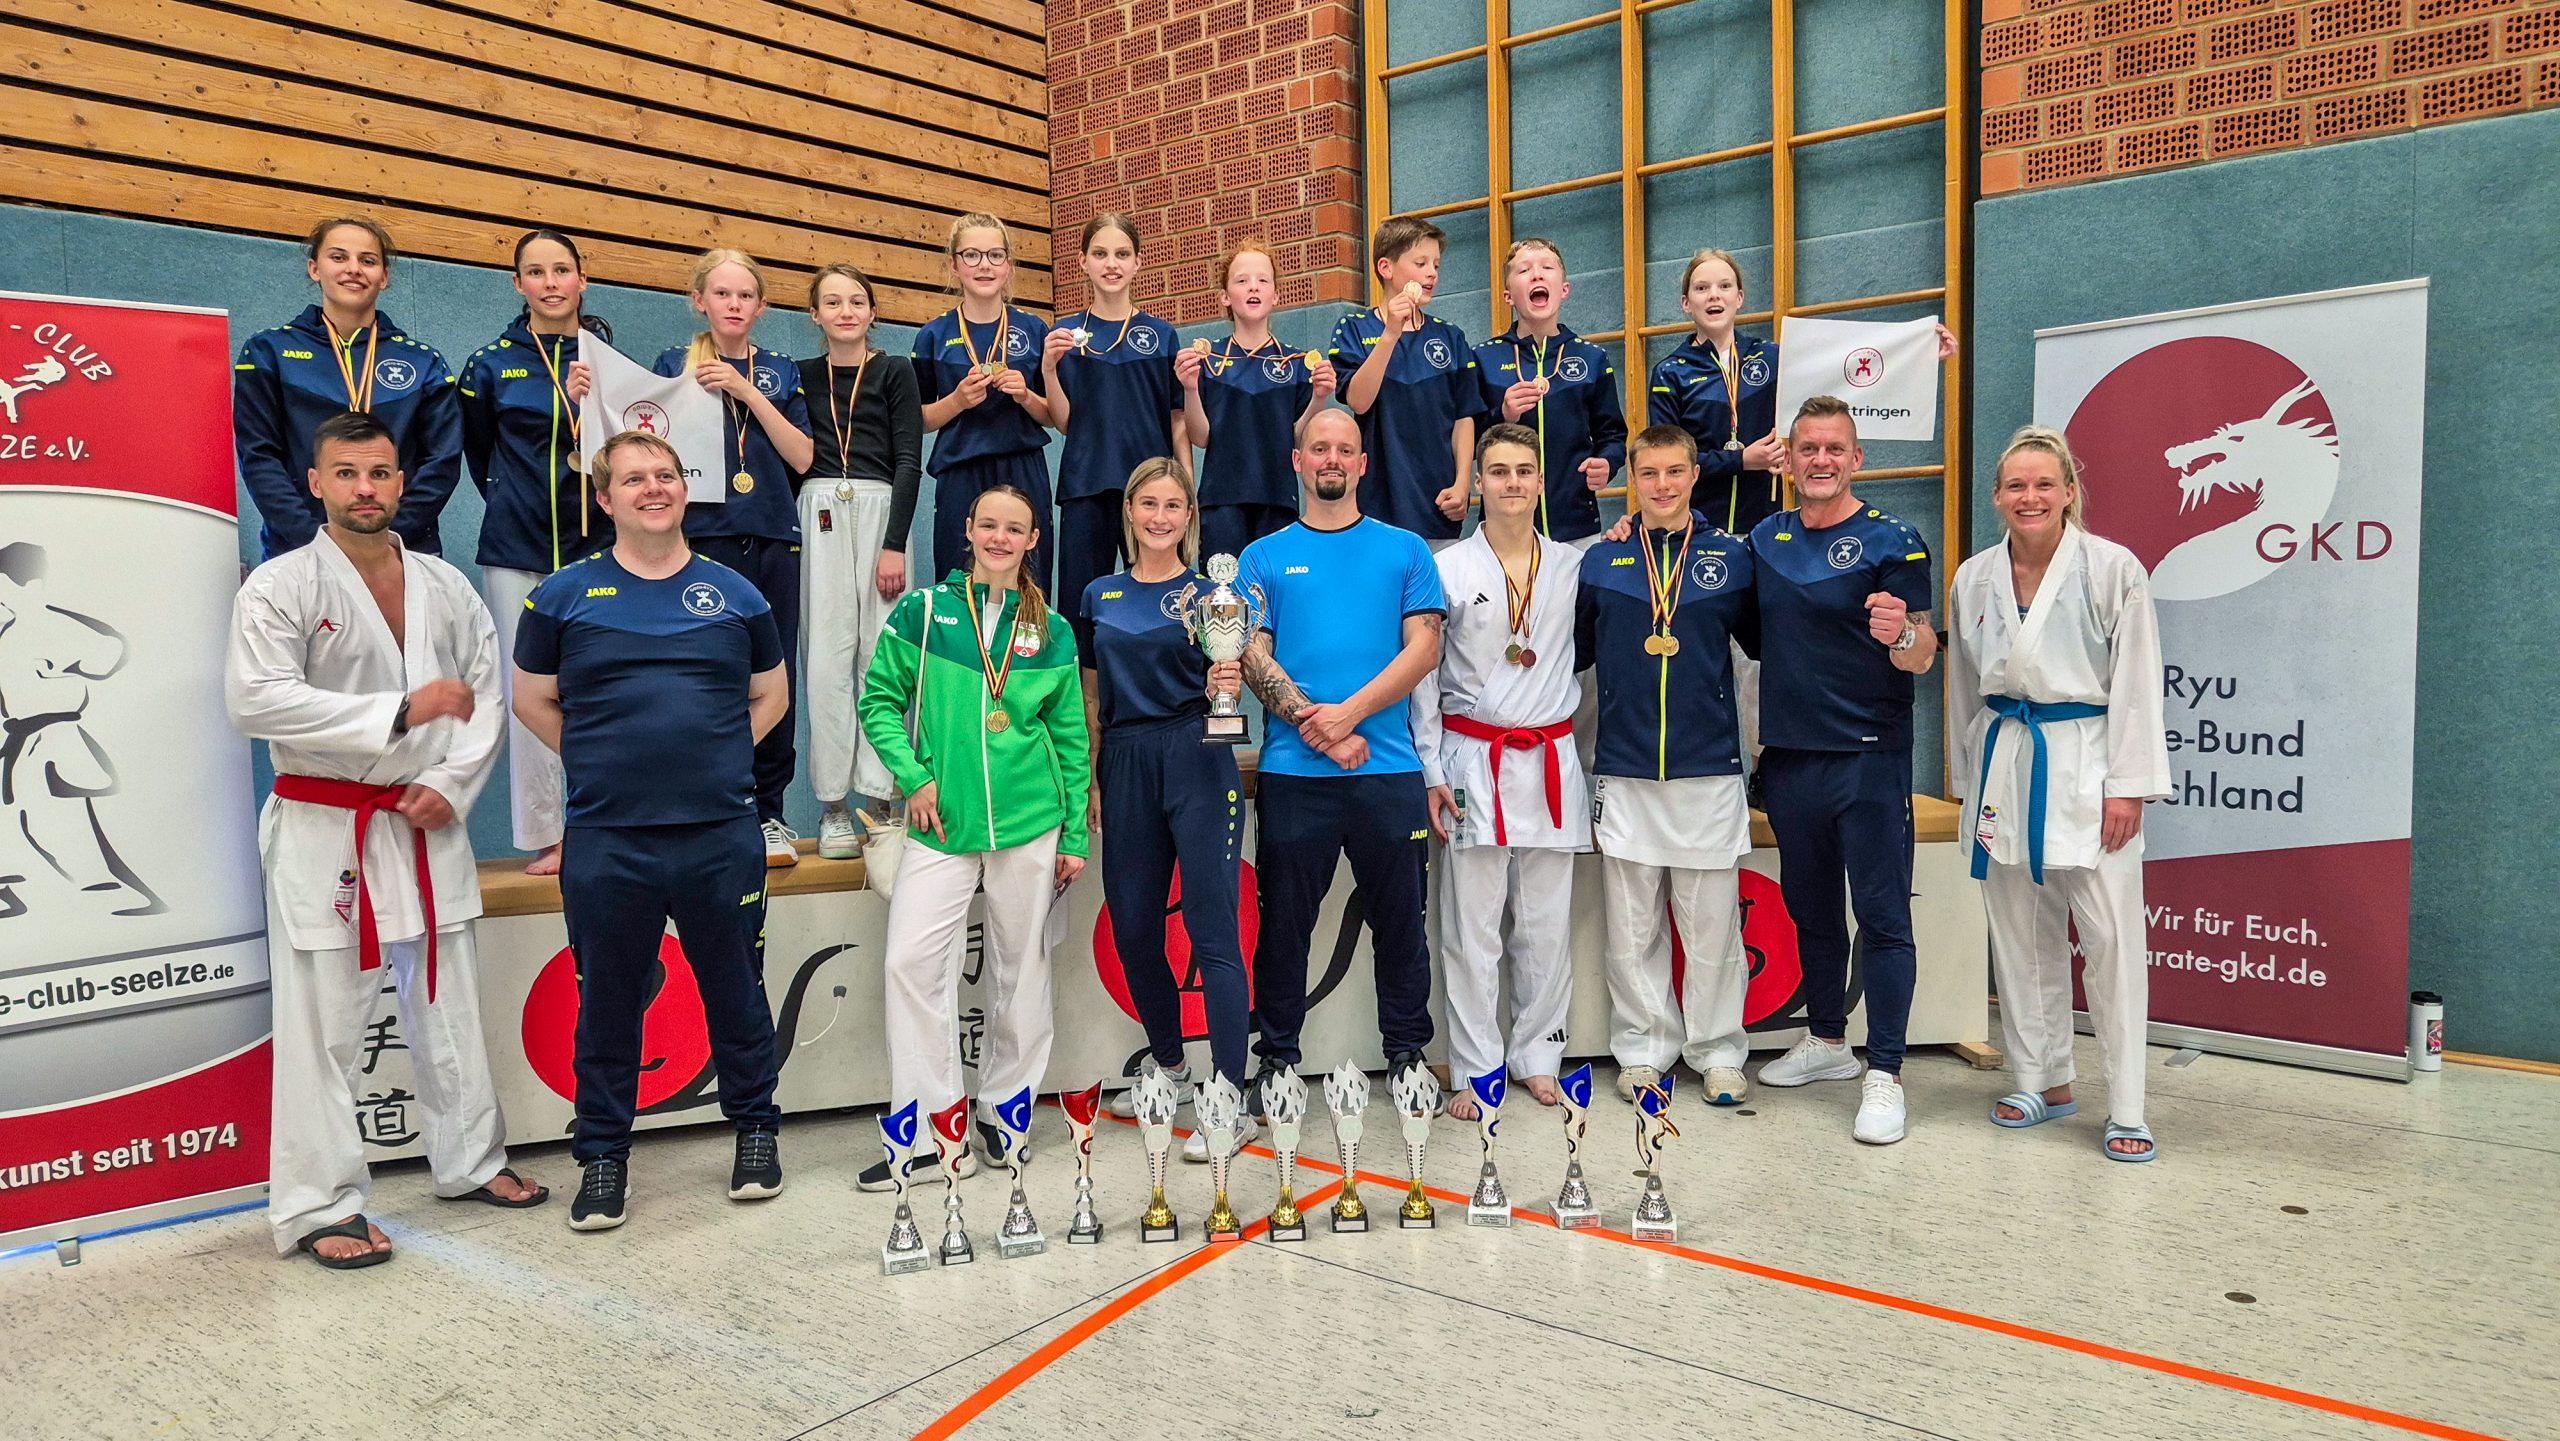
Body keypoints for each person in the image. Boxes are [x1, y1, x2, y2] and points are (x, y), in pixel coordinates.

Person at [225, 410, 541, 1268]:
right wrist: (397, 711)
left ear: (401, 482)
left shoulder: (445, 584)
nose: (364, 488)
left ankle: (471, 1160)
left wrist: (451, 783)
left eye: (378, 473)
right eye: (346, 473)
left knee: (449, 1002)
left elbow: (485, 693)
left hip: (423, 818)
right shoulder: (281, 585)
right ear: (316, 483)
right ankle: (317, 1204)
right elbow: (254, 698)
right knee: (324, 1025)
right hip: (330, 823)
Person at [512, 430, 791, 1231]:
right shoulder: (562, 595)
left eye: (665, 474)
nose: (654, 488)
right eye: (635, 479)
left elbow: (771, 694)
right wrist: (598, 760)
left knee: (736, 991)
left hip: (718, 833)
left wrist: (720, 754)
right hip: (610, 838)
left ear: (683, 489)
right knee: (606, 1002)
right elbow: (530, 698)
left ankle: (757, 1132)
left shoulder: (736, 594)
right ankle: (602, 1156)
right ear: (606, 499)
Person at [856, 486, 1090, 1190]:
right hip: (942, 822)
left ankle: (1002, 1112)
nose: (999, 537)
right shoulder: (925, 613)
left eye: (1014, 528)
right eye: (988, 524)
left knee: (1022, 970)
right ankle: (933, 1129)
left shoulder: (1052, 630)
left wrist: (1074, 832)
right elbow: (878, 700)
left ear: (1033, 540)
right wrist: (913, 777)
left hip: (1030, 821)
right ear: (967, 529)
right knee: (910, 962)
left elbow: (1071, 738)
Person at [1951, 426, 2170, 1162]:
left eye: (2045, 483)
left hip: (2089, 763)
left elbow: (2138, 681)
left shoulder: (2112, 569)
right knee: (2018, 932)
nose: (2031, 497)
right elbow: (1966, 690)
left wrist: (2129, 786)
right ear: (1996, 497)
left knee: (2111, 942)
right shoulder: (1973, 577)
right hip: (2005, 761)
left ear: (2070, 491)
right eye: (2016, 485)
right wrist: (1968, 780)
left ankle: (2128, 1106)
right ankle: (2042, 1080)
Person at [1237, 407, 1444, 1111]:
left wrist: (1346, 716)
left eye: (1344, 449)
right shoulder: (1262, 557)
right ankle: (1277, 1060)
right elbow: (1250, 653)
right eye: (1319, 447)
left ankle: (1408, 1055)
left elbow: (1424, 649)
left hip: (1388, 772)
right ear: (1298, 461)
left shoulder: (1406, 550)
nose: (1332, 458)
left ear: (1362, 463)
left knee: (1402, 924)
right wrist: (1317, 728)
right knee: (1283, 927)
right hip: (1294, 776)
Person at [1749, 396, 1938, 1145]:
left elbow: (1924, 653)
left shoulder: (1896, 540)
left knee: (1883, 916)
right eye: (1808, 448)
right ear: (1789, 461)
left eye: (1834, 448)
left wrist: (1902, 638)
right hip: (1791, 758)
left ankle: (1885, 1071)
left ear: (1857, 458)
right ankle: (1828, 1040)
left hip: (1869, 757)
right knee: (1812, 910)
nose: (1820, 460)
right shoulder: (1766, 537)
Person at [1575, 426, 1758, 1107]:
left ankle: (1718, 1051)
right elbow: (1576, 659)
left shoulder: (1731, 558)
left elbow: (1760, 652)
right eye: (1648, 473)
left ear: (1693, 475)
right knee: (1632, 927)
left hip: (1708, 767)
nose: (1662, 485)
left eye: (1675, 471)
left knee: (1711, 925)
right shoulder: (1603, 560)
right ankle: (1643, 1049)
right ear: (1632, 478)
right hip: (1624, 766)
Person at [1080, 459, 1253, 1158]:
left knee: (1213, 932)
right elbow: (1091, 695)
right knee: (1133, 929)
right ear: (1129, 510)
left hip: (1196, 752)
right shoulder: (1099, 594)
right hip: (1124, 760)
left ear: (1189, 515)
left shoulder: (1212, 595)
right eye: (1148, 504)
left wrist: (1225, 681)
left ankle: (1230, 1099)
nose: (1159, 517)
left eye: (1172, 505)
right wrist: (1092, 779)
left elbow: (1231, 680)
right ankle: (1172, 1065)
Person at [1412, 425, 1587, 1114]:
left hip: (1548, 760)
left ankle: (1539, 1056)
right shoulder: (1448, 567)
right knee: (1471, 927)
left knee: (1544, 924)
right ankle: (1477, 1068)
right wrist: (1431, 767)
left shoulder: (1573, 565)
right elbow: (1424, 675)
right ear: (1478, 482)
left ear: (1541, 482)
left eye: (1524, 470)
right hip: (1471, 760)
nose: (1512, 482)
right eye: (1499, 471)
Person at [651, 249, 815, 869]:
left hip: (772, 534)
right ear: (700, 301)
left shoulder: (779, 370)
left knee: (773, 674)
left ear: (762, 306)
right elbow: (645, 440)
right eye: (722, 293)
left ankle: (769, 810)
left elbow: (803, 457)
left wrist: (746, 390)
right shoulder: (674, 364)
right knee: (704, 672)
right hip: (701, 540)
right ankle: (707, 803)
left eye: (746, 295)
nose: (734, 305)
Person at [458, 228, 612, 876]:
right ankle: (548, 835)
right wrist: (512, 499)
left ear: (582, 279)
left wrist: (591, 401)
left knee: (598, 689)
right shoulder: (490, 365)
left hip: (596, 548)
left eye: (562, 270)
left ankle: (602, 819)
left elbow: (626, 446)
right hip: (516, 546)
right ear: (518, 283)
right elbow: (478, 454)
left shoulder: (607, 360)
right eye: (537, 272)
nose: (551, 283)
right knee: (527, 691)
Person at [796, 262, 926, 862]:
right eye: (832, 302)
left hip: (880, 509)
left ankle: (882, 796)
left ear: (873, 312)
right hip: (820, 507)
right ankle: (832, 805)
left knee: (884, 657)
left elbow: (908, 460)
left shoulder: (895, 371)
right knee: (826, 657)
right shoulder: (800, 376)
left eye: (856, 301)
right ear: (814, 314)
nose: (845, 311)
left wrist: (894, 542)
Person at [234, 217, 462, 559]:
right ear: (315, 268)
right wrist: (315, 541)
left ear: (384, 277)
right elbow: (259, 456)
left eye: (367, 260)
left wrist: (386, 538)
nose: (353, 269)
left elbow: (441, 463)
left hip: (402, 551)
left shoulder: (423, 362)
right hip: (300, 550)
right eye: (339, 257)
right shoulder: (269, 352)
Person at [0, 543, 160, 919]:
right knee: (20, 816)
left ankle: (104, 887)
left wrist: (62, 668)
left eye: (3, 585)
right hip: (23, 735)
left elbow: (109, 651)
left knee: (59, 817)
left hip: (50, 736)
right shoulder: (10, 631)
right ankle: (13, 888)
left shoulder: (54, 624)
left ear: (30, 585)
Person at [1043, 214, 1183, 634]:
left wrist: (1184, 485)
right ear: (1082, 262)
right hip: (1086, 483)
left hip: (1150, 491)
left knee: (1157, 600)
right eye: (1100, 254)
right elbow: (1064, 422)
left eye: (1122, 254)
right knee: (1079, 607)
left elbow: (1176, 419)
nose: (1111, 264)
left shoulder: (1161, 335)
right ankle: (1083, 680)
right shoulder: (1065, 334)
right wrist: (1048, 369)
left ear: (1138, 262)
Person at [913, 213, 1056, 591]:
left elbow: (1054, 416)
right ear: (954, 265)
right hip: (961, 468)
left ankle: (1029, 632)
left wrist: (1025, 395)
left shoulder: (1034, 329)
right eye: (972, 255)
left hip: (1023, 465)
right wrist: (957, 401)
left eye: (995, 255)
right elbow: (918, 419)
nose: (984, 266)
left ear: (1009, 266)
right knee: (958, 577)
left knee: (1031, 577)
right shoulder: (933, 335)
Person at [1329, 216, 1486, 545]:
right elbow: (1359, 400)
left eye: (1436, 265)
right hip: (1378, 503)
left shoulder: (1450, 337)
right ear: (1386, 267)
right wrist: (1391, 333)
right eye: (1420, 263)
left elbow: (1464, 416)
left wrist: (1462, 483)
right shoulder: (1354, 328)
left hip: (1437, 504)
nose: (1432, 273)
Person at [1178, 242, 1335, 560]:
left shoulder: (1295, 364)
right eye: (1242, 280)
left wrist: (1319, 398)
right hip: (1221, 502)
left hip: (1278, 499)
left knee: (1275, 588)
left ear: (1275, 295)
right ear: (1225, 296)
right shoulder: (1207, 360)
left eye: (1263, 280)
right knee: (1225, 590)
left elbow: (1297, 438)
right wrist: (1190, 389)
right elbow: (1200, 437)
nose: (1253, 287)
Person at [1474, 240, 1626, 546]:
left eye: (1547, 267)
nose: (1536, 274)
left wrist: (1607, 463)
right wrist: (1502, 415)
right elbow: (1465, 440)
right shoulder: (1483, 358)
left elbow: (1613, 435)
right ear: (1508, 296)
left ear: (1564, 289)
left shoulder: (1591, 358)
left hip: (1576, 526)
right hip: (1502, 526)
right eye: (1523, 270)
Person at [1647, 249, 1783, 538]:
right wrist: (1741, 460)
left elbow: (1809, 416)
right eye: (1701, 288)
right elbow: (1668, 460)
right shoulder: (1670, 373)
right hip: (1696, 530)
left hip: (1763, 526)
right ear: (1686, 303)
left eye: (1724, 286)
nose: (1714, 295)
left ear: (1739, 297)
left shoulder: (1771, 358)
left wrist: (1792, 449)